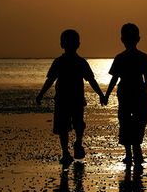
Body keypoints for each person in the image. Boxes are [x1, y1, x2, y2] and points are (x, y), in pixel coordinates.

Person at [36, 29, 105, 167]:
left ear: (62, 44)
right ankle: (66, 151)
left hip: (73, 100)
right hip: (64, 100)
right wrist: (41, 93)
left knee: (75, 125)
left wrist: (101, 94)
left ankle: (75, 144)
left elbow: (91, 80)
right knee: (65, 127)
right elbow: (50, 80)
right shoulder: (62, 62)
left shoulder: (79, 62)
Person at [104, 23, 147, 168]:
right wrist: (144, 88)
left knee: (126, 121)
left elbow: (114, 78)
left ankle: (130, 153)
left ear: (122, 39)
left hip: (127, 93)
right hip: (135, 93)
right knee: (138, 120)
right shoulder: (141, 56)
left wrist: (106, 95)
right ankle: (134, 151)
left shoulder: (121, 57)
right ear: (138, 38)